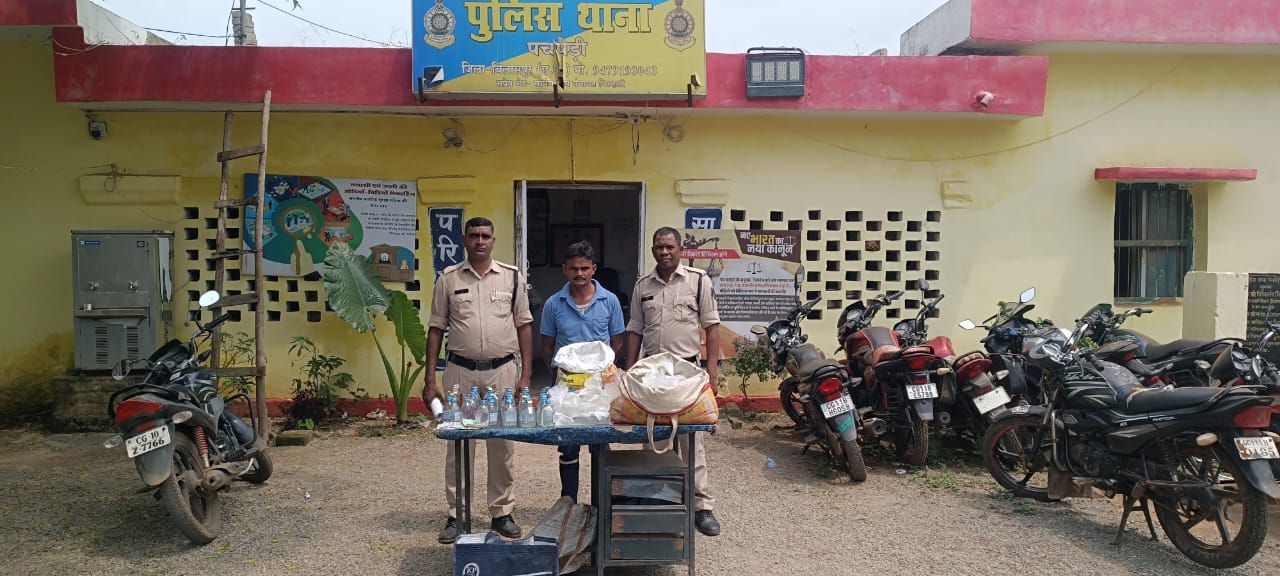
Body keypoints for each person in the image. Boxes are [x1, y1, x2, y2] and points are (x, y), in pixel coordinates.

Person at [422, 216, 533, 544]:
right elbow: (436, 328)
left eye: (485, 235)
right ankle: (457, 514)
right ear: (464, 240)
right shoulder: (448, 279)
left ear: (493, 240)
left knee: (502, 443)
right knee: (460, 442)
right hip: (461, 373)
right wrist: (430, 379)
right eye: (474, 235)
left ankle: (502, 512)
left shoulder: (512, 277)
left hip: (502, 372)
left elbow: (524, 325)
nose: (480, 241)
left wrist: (526, 375)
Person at [624, 226, 723, 537]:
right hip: (652, 375)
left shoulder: (698, 281)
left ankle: (701, 506)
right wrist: (628, 373)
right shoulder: (643, 286)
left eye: (669, 246)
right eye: (659, 247)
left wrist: (712, 374)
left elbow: (712, 327)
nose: (664, 252)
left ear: (680, 249)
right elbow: (635, 329)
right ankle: (658, 501)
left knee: (692, 441)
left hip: (687, 375)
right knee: (653, 439)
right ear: (653, 250)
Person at [538, 241, 625, 503]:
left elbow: (617, 341)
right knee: (568, 444)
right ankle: (569, 502)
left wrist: (601, 370)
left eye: (584, 268)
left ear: (593, 269)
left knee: (601, 441)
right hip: (568, 386)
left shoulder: (610, 301)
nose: (579, 274)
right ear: (565, 269)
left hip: (600, 386)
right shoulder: (554, 304)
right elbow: (546, 347)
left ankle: (602, 503)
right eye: (574, 268)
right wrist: (561, 376)